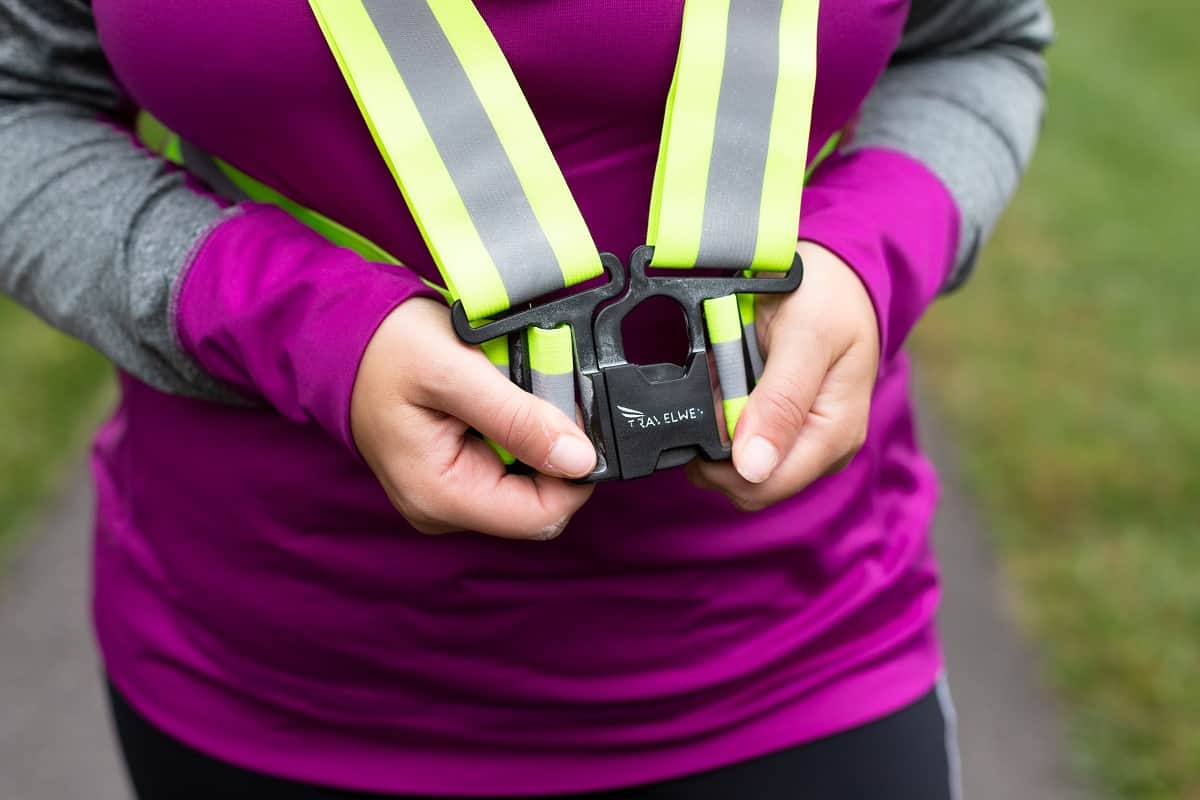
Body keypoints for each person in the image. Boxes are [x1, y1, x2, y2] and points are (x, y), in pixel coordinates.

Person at [0, 1, 1051, 798]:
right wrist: (293, 322)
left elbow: (976, 38)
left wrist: (870, 252)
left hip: (795, 663)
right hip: (272, 682)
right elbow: (22, 101)